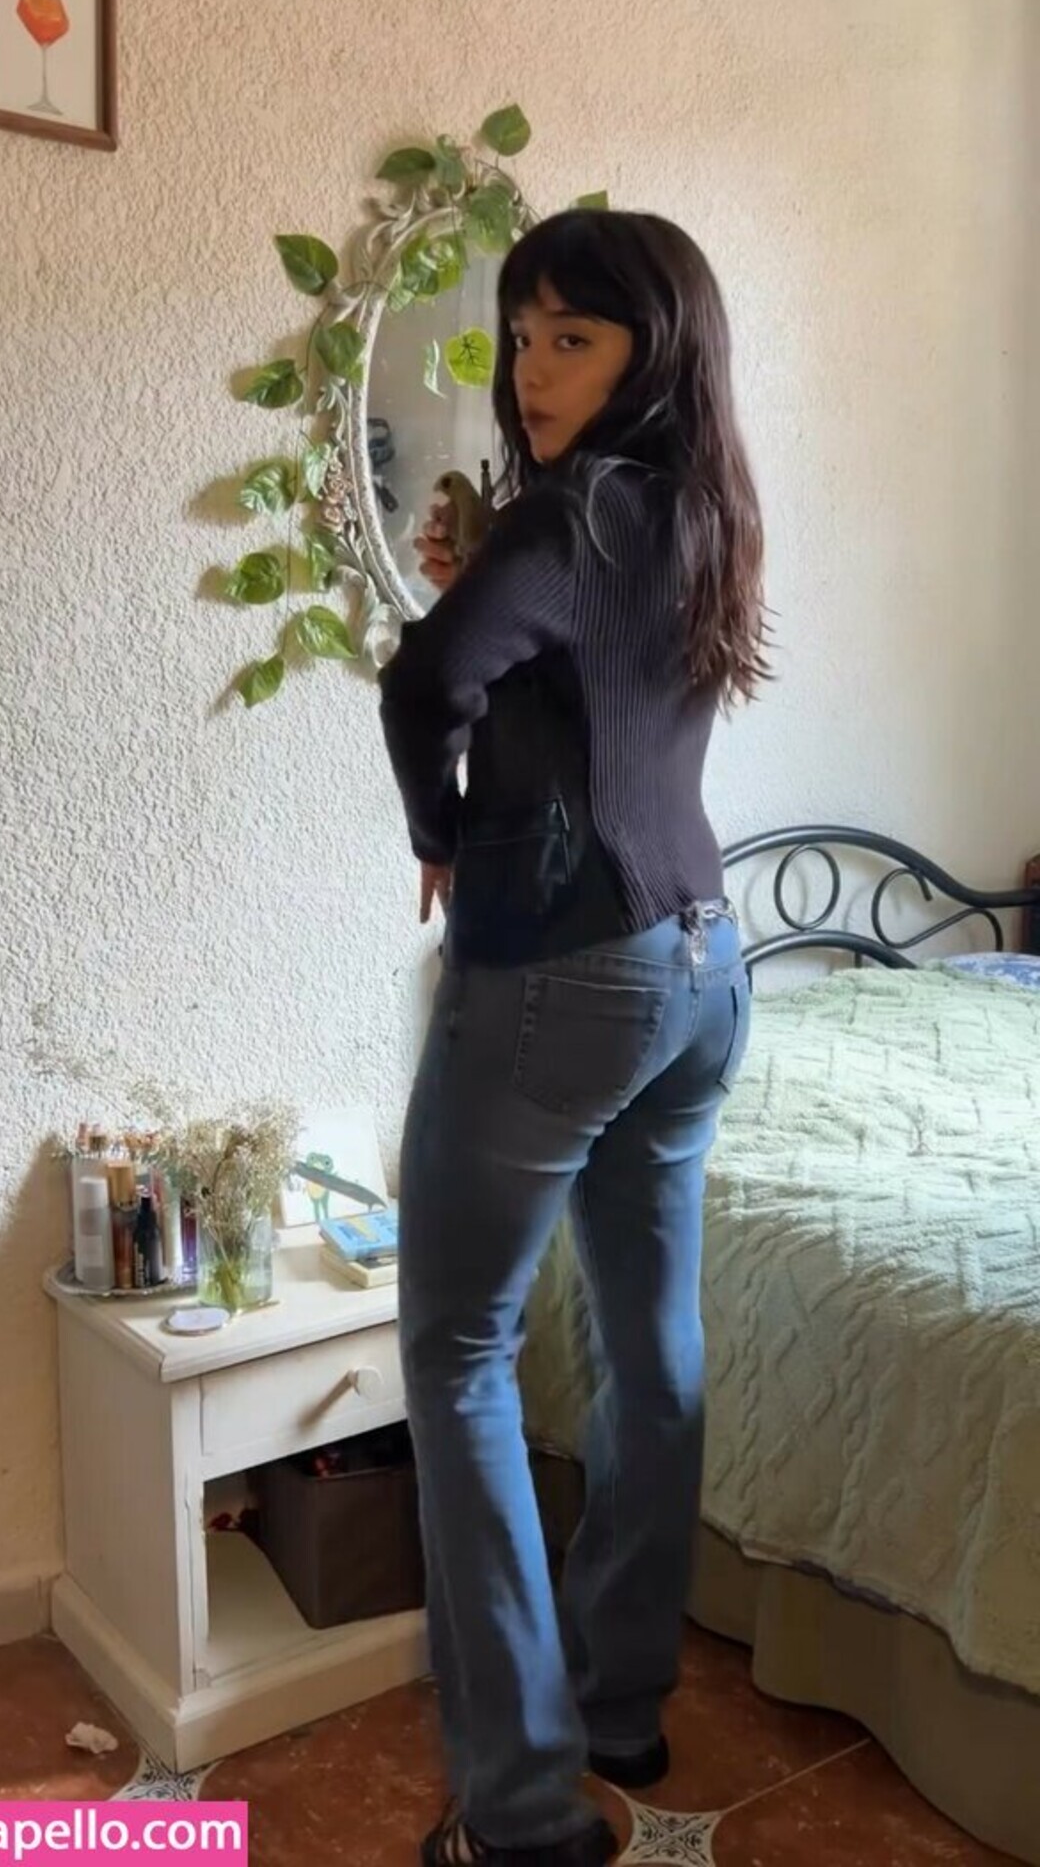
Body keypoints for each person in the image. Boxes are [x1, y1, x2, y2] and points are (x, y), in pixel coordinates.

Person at [378, 208, 768, 1867]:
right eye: (523, 333)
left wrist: (439, 830)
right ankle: (619, 1703)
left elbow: (426, 682)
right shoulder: (704, 508)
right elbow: (572, 682)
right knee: (650, 1340)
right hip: (704, 961)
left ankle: (526, 1810)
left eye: (574, 339)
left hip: (563, 969)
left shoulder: (571, 514)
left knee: (457, 1350)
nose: (532, 369)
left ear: (650, 353)